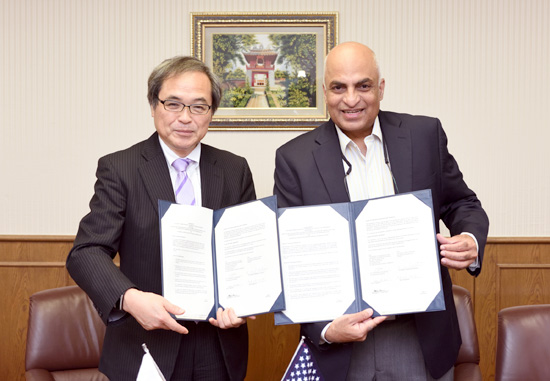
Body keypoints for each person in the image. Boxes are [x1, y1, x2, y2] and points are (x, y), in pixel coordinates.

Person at [273, 42, 489, 380]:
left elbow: (462, 202)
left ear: (381, 88)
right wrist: (327, 330)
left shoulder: (424, 135)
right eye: (338, 87)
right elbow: (291, 256)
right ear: (324, 92)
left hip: (419, 337)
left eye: (363, 85)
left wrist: (469, 238)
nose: (351, 99)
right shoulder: (294, 158)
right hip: (342, 343)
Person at [67, 56, 256, 380]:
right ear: (154, 105)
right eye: (173, 104)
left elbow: (247, 252)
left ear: (211, 113)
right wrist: (131, 299)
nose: (185, 117)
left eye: (199, 107)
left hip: (218, 347)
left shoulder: (233, 169)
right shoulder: (120, 168)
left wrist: (244, 304)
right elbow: (86, 252)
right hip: (144, 345)